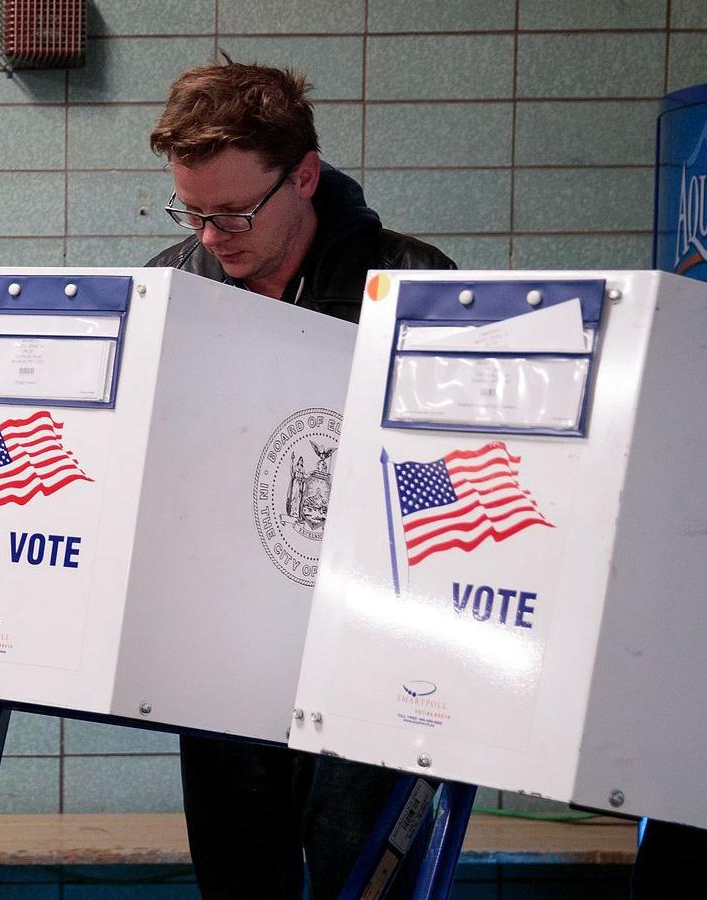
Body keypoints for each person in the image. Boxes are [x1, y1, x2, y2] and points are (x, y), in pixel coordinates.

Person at [145, 57, 455, 898]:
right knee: (240, 879)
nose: (213, 237)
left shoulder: (412, 286)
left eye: (236, 212)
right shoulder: (176, 285)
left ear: (306, 176)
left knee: (365, 878)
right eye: (195, 213)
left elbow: (450, 487)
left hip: (369, 655)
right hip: (224, 658)